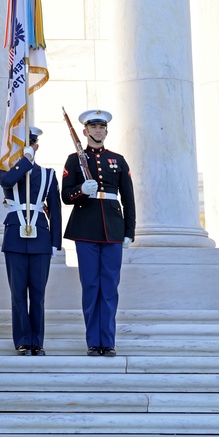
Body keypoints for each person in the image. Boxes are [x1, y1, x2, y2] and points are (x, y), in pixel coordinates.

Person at [61, 109, 136, 357]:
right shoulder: (74, 160)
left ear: (106, 131)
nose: (97, 131)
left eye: (101, 127)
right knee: (91, 286)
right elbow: (66, 196)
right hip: (86, 230)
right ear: (85, 131)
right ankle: (94, 342)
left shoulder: (118, 159)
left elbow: (129, 199)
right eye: (93, 127)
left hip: (113, 229)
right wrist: (81, 189)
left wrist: (129, 231)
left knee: (110, 288)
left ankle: (109, 341)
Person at [0, 127, 62, 356]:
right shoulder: (6, 170)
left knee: (37, 292)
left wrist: (56, 241)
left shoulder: (48, 174)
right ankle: (23, 340)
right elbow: (8, 180)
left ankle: (37, 340)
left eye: (31, 144)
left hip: (40, 237)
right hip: (15, 237)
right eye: (23, 144)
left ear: (36, 146)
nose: (29, 147)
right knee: (17, 293)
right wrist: (24, 160)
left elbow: (55, 208)